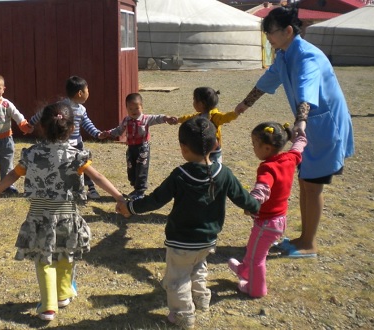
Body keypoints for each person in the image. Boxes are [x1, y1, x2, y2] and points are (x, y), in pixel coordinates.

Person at [116, 117, 260, 329]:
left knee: (178, 279)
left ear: (183, 148)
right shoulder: (224, 173)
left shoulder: (180, 175)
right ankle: (201, 300)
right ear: (215, 145)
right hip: (207, 240)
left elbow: (155, 200)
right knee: (198, 267)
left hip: (181, 241)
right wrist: (255, 207)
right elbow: (243, 198)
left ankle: (183, 314)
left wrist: (130, 208)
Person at [0, 101, 125, 321]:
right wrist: (119, 196)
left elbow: (13, 175)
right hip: (68, 215)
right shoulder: (76, 155)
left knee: (44, 260)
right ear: (71, 128)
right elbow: (97, 177)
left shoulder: (31, 154)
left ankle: (49, 305)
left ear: (41, 127)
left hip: (40, 216)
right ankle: (63, 294)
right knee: (66, 255)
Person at [234, 5, 354, 258]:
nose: (268, 37)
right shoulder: (285, 55)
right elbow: (269, 80)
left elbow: (306, 89)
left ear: (288, 31)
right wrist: (245, 104)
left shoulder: (307, 56)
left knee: (312, 186)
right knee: (304, 181)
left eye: (271, 32)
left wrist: (300, 120)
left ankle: (309, 243)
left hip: (323, 127)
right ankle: (303, 238)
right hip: (310, 125)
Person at [228, 122, 307, 298]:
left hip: (267, 222)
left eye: (254, 144)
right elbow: (299, 144)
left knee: (258, 258)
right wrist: (300, 134)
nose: (253, 148)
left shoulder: (268, 167)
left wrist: (252, 203)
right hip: (278, 219)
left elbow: (263, 189)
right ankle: (244, 270)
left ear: (267, 147)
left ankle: (256, 289)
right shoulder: (290, 158)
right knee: (254, 247)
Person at [29, 76, 104, 200]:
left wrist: (97, 133)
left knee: (78, 166)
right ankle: (86, 189)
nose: (88, 93)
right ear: (80, 93)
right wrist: (30, 123)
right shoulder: (61, 107)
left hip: (76, 144)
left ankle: (90, 188)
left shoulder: (80, 109)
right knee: (83, 166)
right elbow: (44, 113)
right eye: (87, 90)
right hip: (64, 144)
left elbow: (86, 123)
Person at [98, 93, 177, 200]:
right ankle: (136, 187)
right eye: (130, 108)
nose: (134, 111)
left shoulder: (146, 119)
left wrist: (166, 118)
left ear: (142, 107)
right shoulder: (126, 120)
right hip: (131, 148)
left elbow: (158, 118)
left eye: (137, 108)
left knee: (141, 169)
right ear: (126, 108)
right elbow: (119, 130)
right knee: (131, 169)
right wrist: (108, 133)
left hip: (143, 148)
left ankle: (140, 192)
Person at [176, 87, 241, 163]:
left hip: (213, 149)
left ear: (201, 104)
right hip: (201, 148)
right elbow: (188, 118)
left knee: (214, 168)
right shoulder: (198, 116)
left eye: (194, 100)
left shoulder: (214, 116)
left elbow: (225, 117)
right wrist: (178, 119)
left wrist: (235, 113)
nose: (193, 102)